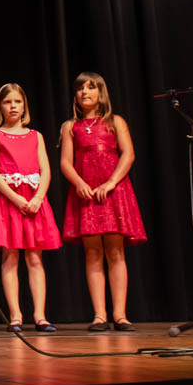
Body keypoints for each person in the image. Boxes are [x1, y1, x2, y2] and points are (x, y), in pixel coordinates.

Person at [60, 71, 147, 332]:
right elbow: (65, 162)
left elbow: (128, 155)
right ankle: (100, 315)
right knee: (93, 253)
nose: (85, 92)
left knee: (116, 251)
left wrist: (111, 183)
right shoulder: (70, 127)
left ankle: (120, 314)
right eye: (81, 89)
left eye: (91, 88)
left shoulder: (114, 122)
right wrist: (79, 184)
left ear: (101, 93)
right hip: (86, 192)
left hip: (113, 192)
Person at [0, 82, 61, 333]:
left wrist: (38, 197)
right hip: (10, 200)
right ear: (1, 106)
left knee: (35, 257)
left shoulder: (35, 136)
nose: (13, 106)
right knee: (9, 256)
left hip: (34, 200)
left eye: (17, 101)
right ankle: (15, 316)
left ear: (24, 104)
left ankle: (40, 315)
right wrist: (15, 199)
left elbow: (46, 169)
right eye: (8, 102)